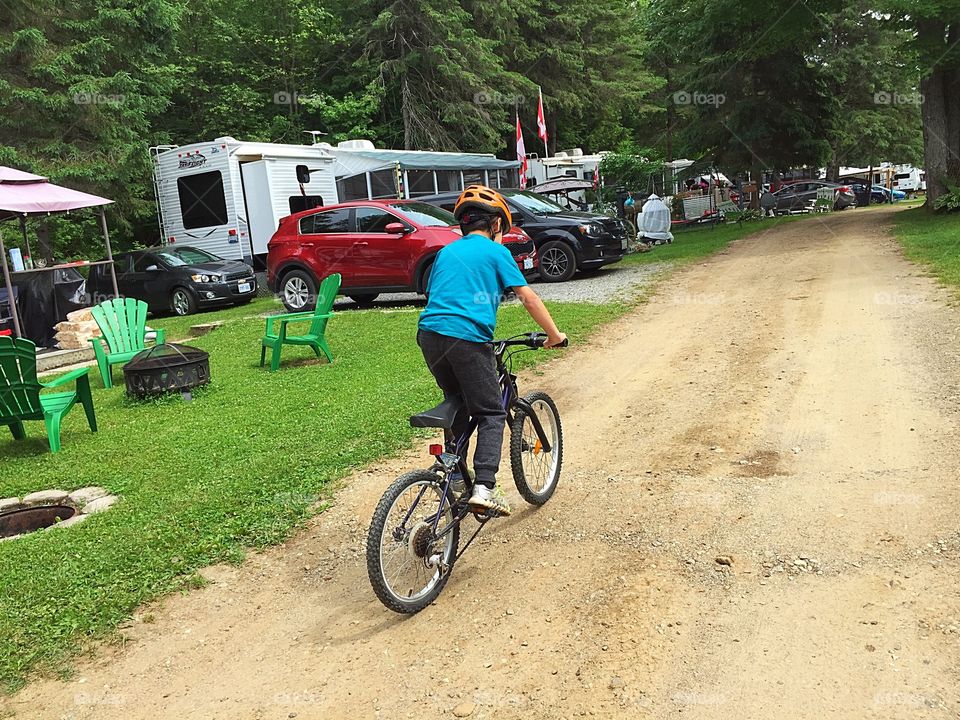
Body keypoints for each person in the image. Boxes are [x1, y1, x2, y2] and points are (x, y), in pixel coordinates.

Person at [417, 185, 567, 516]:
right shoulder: (497, 252)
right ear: (496, 225)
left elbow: (441, 295)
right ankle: (485, 486)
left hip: (428, 336)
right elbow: (528, 297)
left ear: (463, 225)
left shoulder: (446, 252)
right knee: (491, 412)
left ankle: (456, 475)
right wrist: (554, 334)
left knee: (456, 401)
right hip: (467, 338)